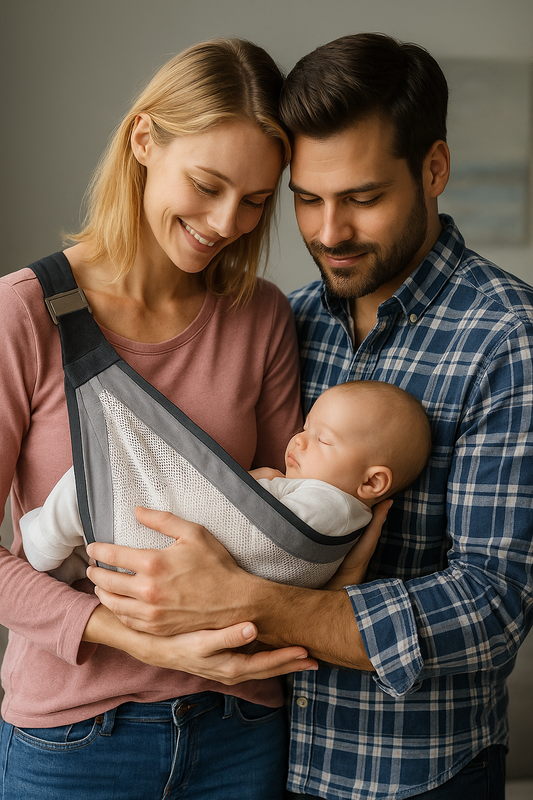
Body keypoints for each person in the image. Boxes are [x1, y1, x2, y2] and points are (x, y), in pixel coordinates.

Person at [85, 32, 533, 800]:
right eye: (306, 198)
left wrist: (253, 602)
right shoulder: (285, 321)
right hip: (261, 759)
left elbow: (490, 606)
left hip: (413, 777)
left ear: (433, 170)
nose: (328, 232)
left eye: (362, 199)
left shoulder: (504, 336)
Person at [0, 37, 323, 800]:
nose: (225, 223)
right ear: (144, 139)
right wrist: (131, 633)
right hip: (77, 739)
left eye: (253, 201)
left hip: (241, 733)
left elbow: (286, 530)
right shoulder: (25, 314)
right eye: (207, 185)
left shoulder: (262, 318)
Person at [20, 380, 431, 587]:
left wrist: (254, 483)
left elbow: (259, 519)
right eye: (306, 428)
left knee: (97, 481)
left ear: (373, 482)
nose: (298, 440)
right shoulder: (335, 504)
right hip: (188, 561)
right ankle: (73, 559)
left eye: (322, 439)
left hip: (206, 550)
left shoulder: (333, 508)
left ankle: (44, 539)